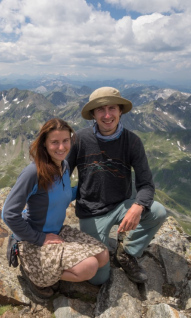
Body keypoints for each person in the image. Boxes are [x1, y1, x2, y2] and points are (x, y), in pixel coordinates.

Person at [66, 86, 167, 285]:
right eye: (100, 110)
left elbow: (146, 184)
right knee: (98, 279)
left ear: (120, 111)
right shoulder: (79, 140)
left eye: (112, 108)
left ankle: (127, 253)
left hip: (121, 206)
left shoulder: (132, 142)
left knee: (158, 212)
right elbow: (61, 177)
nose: (107, 115)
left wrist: (138, 206)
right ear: (93, 114)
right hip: (91, 212)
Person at [2, 118, 109, 298]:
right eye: (55, 142)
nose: (61, 147)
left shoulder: (64, 166)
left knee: (103, 255)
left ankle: (49, 271)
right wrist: (39, 238)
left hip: (58, 232)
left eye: (65, 141)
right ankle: (35, 275)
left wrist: (91, 187)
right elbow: (8, 213)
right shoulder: (33, 172)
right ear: (44, 144)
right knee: (89, 267)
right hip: (33, 240)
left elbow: (63, 194)